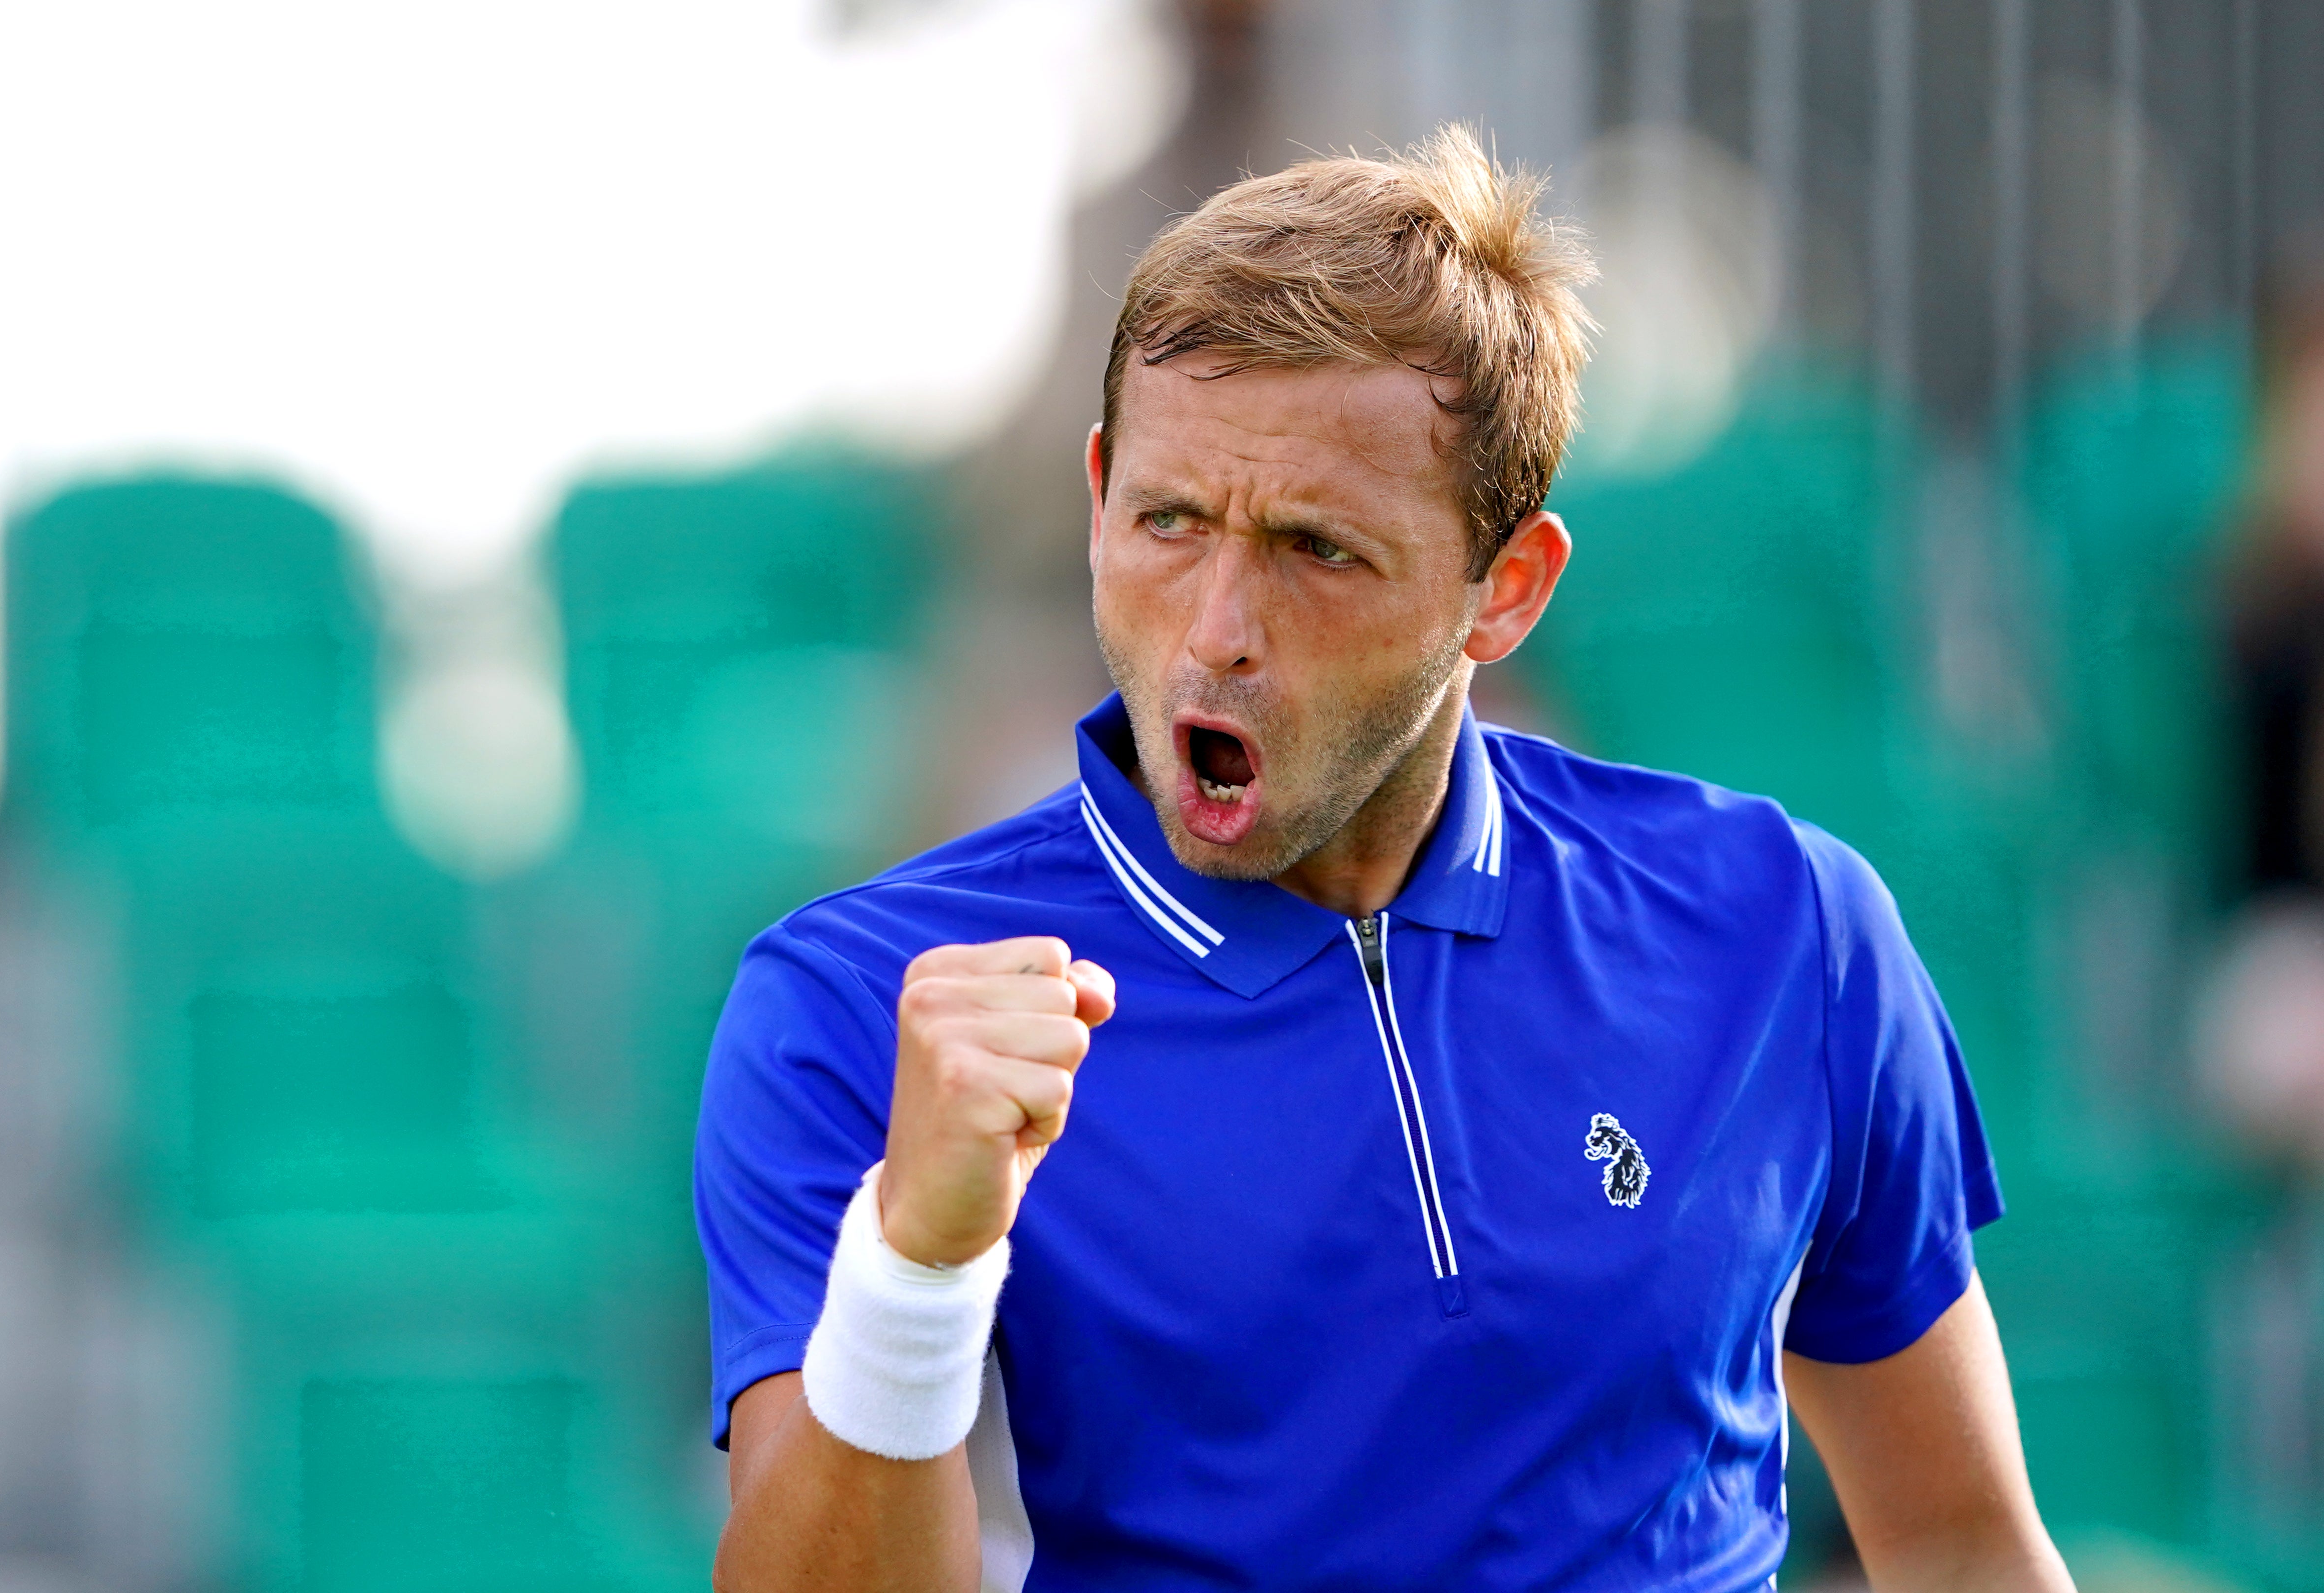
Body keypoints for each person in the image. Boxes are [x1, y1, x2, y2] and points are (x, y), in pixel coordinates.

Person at [698, 127, 2072, 1592]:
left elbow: (1961, 1549)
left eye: (1314, 549)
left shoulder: (1781, 924)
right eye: (1167, 522)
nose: (1217, 624)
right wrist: (913, 1266)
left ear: (1505, 591)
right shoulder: (858, 1001)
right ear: (1097, 501)